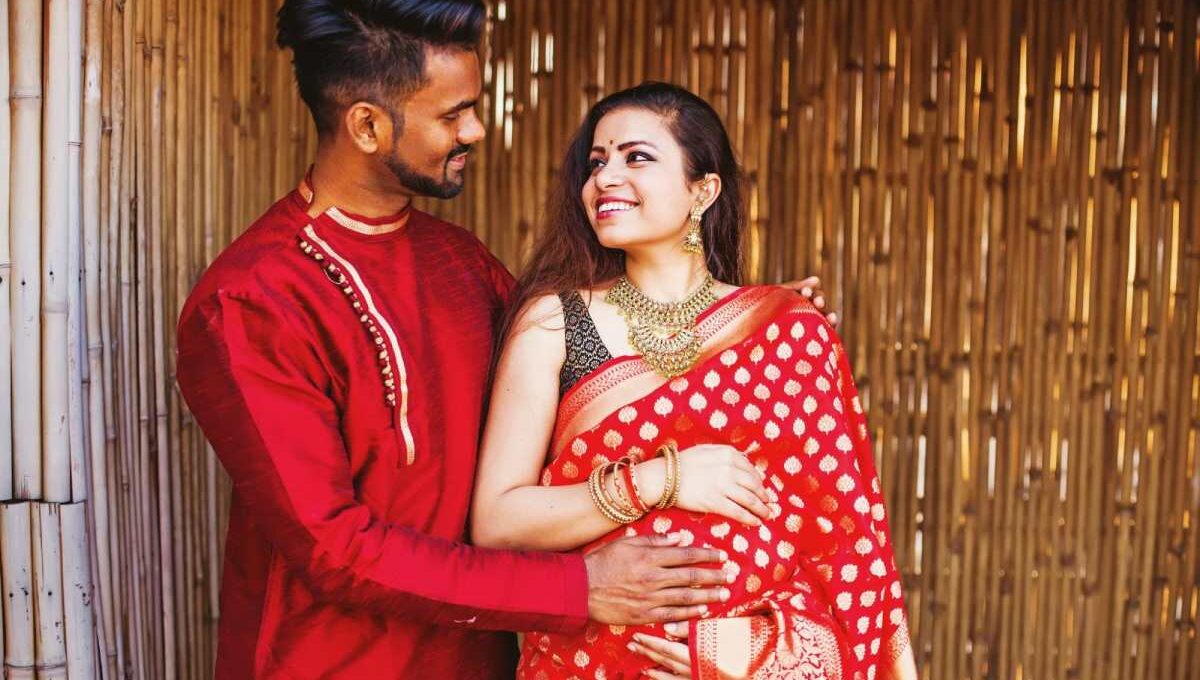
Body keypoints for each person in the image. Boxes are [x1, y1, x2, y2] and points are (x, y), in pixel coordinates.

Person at [175, 4, 767, 678]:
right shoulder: (251, 300)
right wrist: (580, 589)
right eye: (452, 115)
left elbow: (605, 372)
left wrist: (755, 321)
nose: (477, 130)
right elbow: (334, 548)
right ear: (367, 126)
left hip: (481, 663)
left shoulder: (461, 262)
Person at [471, 82, 918, 679]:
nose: (604, 178)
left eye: (637, 157)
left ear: (703, 190)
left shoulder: (786, 328)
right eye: (596, 163)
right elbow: (498, 524)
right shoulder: (556, 321)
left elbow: (845, 548)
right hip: (584, 664)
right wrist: (663, 479)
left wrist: (764, 657)